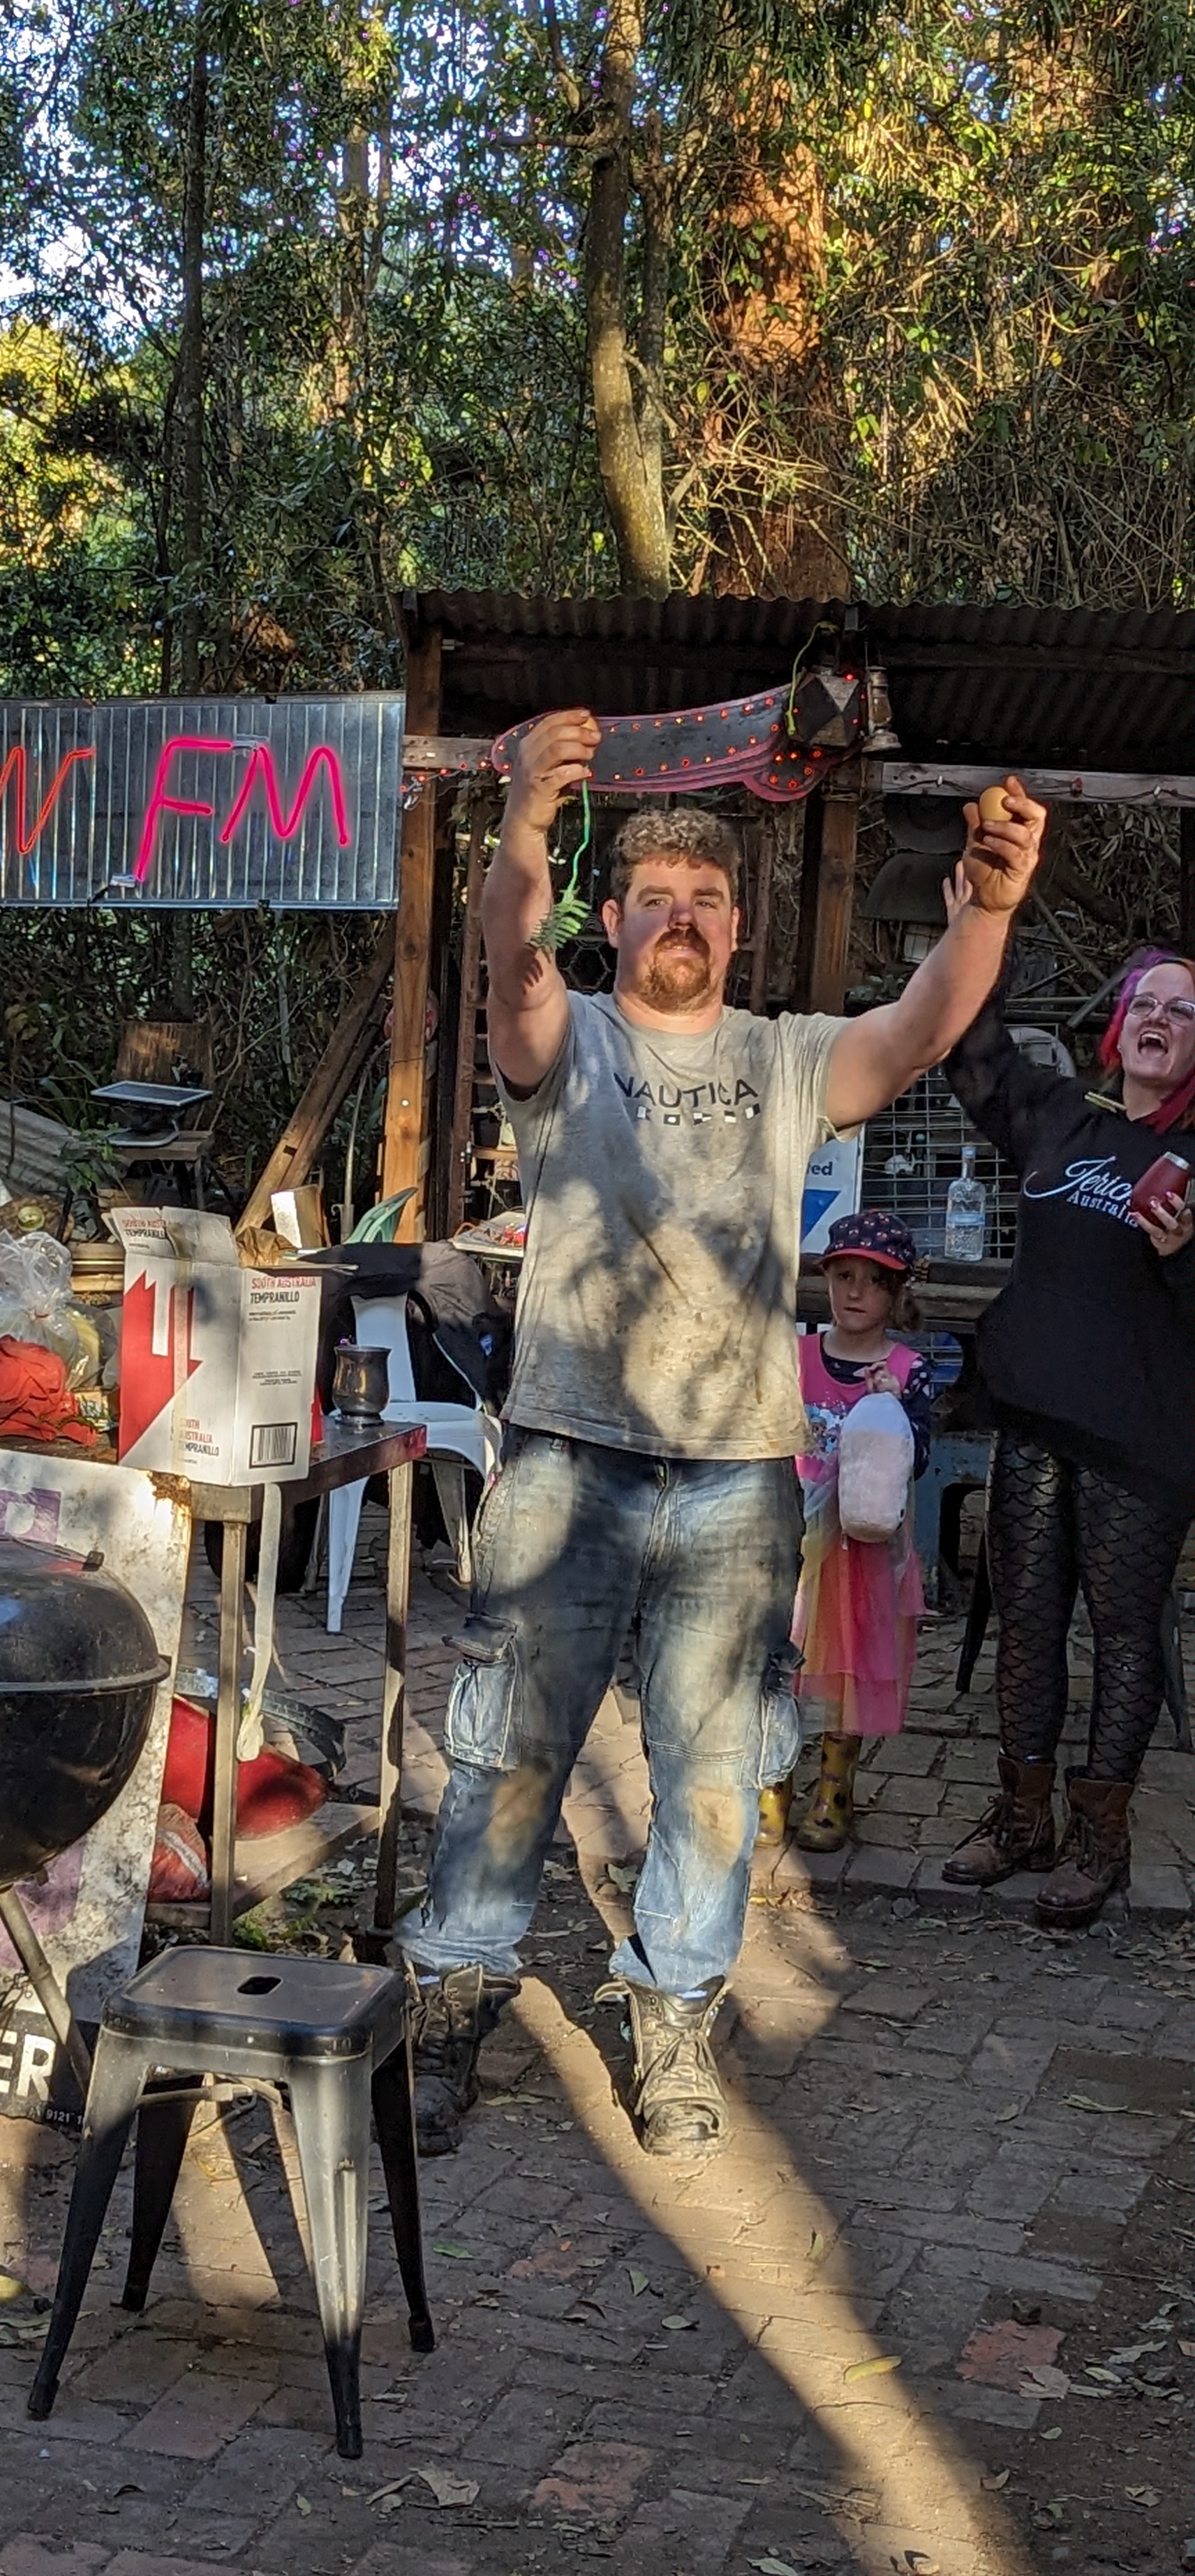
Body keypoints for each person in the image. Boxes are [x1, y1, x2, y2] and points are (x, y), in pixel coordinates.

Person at [396, 711, 1046, 2166]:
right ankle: (453, 1997)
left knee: (707, 1774)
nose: (680, 918)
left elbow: (920, 1026)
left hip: (738, 1480)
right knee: (510, 1753)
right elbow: (505, 950)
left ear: (737, 930)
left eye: (704, 900)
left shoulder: (785, 1057)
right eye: (654, 900)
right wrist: (524, 819)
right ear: (613, 923)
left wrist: (989, 910)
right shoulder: (568, 1040)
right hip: (567, 1459)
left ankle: (673, 2011)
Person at [940, 942, 1195, 1927]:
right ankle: (1021, 1818)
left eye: (1184, 1010)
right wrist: (985, 934)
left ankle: (1100, 1837)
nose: (1161, 1018)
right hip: (1034, 1414)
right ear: (1119, 1026)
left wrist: (1184, 1257)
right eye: (1147, 1003)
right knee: (1027, 1622)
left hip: (1140, 1439)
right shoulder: (1061, 1117)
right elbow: (974, 1056)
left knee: (1124, 1634)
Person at [762, 1210, 933, 1855]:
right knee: (778, 1659)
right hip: (791, 1544)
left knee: (852, 1669)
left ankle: (833, 1788)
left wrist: (892, 1407)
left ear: (897, 1291)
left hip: (861, 1553)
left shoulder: (907, 1369)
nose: (855, 1293)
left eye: (873, 1281)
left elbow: (917, 1460)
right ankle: (772, 1780)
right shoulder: (795, 1356)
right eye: (843, 1277)